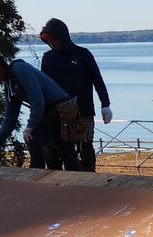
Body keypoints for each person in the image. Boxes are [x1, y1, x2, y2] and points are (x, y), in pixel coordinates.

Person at [0, 51, 76, 169]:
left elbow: (37, 101)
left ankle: (35, 174)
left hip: (63, 108)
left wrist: (30, 127)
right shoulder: (9, 85)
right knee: (63, 151)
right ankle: (67, 181)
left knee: (34, 138)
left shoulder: (19, 69)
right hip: (53, 111)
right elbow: (10, 117)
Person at [38, 19, 113, 171]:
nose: (52, 44)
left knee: (85, 149)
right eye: (49, 41)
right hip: (56, 112)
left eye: (53, 40)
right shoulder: (48, 58)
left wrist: (105, 105)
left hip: (82, 111)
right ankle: (55, 183)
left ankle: (89, 179)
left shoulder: (83, 54)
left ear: (62, 37)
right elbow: (43, 86)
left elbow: (97, 80)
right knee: (52, 151)